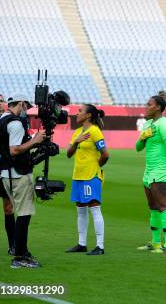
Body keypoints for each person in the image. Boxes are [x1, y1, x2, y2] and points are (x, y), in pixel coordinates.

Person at [0, 94, 45, 268]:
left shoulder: (1, 119)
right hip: (17, 173)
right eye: (26, 107)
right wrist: (36, 141)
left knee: (21, 213)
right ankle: (20, 256)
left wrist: (32, 143)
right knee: (24, 214)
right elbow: (15, 150)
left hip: (6, 173)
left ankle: (22, 251)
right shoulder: (15, 123)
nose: (27, 112)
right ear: (21, 104)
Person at [136, 95, 166, 254]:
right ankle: (155, 242)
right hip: (149, 172)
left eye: (149, 104)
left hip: (162, 172)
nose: (146, 107)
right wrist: (143, 136)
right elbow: (138, 147)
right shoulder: (148, 124)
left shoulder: (164, 124)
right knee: (153, 207)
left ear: (158, 107)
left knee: (163, 206)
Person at [65, 104, 109, 255]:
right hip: (78, 175)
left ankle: (100, 246)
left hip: (90, 176)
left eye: (80, 111)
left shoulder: (95, 132)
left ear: (89, 115)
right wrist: (76, 142)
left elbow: (105, 154)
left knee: (94, 208)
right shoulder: (78, 132)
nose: (77, 114)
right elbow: (68, 154)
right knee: (80, 210)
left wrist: (96, 167)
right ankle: (81, 244)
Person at [0, 93, 16, 256]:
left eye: (1, 101)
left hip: (3, 170)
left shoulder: (8, 123)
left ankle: (12, 245)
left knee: (8, 208)